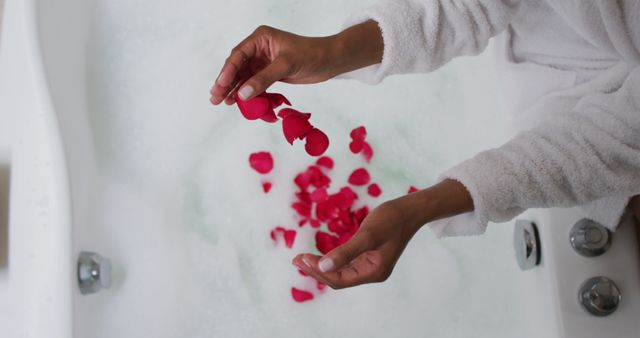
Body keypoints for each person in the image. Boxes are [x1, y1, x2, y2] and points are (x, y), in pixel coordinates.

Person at [210, 0, 640, 289]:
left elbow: (614, 140)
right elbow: (466, 6)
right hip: (546, 80)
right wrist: (329, 52)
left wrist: (415, 209)